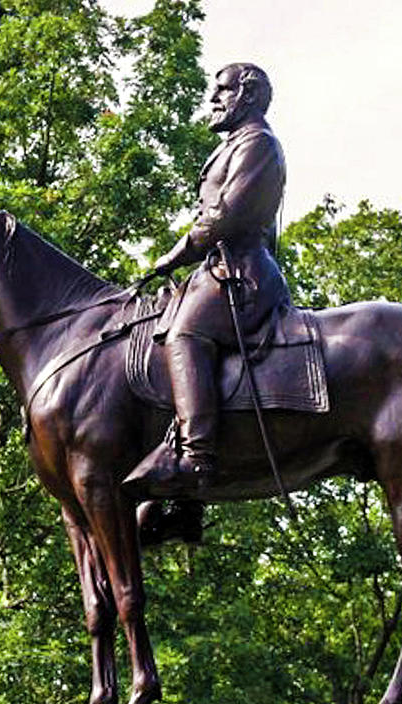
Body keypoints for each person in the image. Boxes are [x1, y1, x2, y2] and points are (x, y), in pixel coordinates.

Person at [124, 62, 290, 507]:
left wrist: (176, 254)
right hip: (219, 270)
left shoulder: (259, 145)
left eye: (223, 91)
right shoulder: (236, 144)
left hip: (243, 274)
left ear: (250, 96)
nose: (213, 100)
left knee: (184, 333)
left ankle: (196, 460)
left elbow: (225, 215)